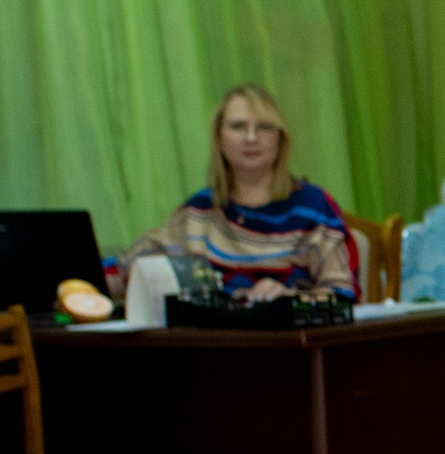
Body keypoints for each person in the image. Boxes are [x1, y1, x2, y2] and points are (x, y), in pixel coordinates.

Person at [123, 84, 358, 300]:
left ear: (281, 138)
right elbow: (128, 270)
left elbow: (344, 293)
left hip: (290, 342)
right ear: (218, 138)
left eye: (264, 127)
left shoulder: (314, 207)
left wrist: (289, 299)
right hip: (216, 344)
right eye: (238, 126)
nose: (251, 138)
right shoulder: (198, 211)